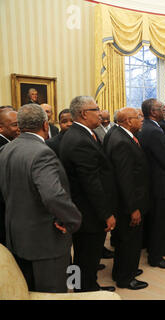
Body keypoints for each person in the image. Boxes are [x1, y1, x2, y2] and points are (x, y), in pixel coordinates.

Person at [0, 104, 81, 293]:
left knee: (28, 289)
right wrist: (73, 220)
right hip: (46, 241)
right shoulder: (42, 153)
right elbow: (53, 196)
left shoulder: (6, 150)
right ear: (46, 125)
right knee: (52, 291)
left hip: (17, 235)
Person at [59, 96, 117, 292]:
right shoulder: (79, 139)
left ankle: (89, 287)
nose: (100, 113)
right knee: (87, 258)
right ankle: (86, 292)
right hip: (88, 212)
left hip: (85, 209)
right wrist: (106, 214)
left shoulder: (82, 134)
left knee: (86, 257)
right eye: (97, 109)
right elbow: (91, 183)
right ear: (84, 113)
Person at [103, 108, 149, 290]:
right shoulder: (121, 140)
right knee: (130, 242)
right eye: (138, 117)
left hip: (123, 201)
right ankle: (125, 278)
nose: (141, 120)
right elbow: (125, 178)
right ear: (128, 121)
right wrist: (133, 208)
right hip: (128, 203)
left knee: (124, 241)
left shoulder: (117, 133)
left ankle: (122, 270)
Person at [138, 98, 165, 269]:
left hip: (154, 182)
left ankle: (158, 248)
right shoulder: (153, 130)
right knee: (159, 222)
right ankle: (156, 257)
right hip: (160, 184)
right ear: (153, 112)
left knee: (157, 221)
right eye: (162, 108)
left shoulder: (150, 126)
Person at [0, 109, 20, 245]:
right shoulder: (3, 147)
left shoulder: (10, 143)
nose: (19, 128)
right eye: (14, 125)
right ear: (1, 128)